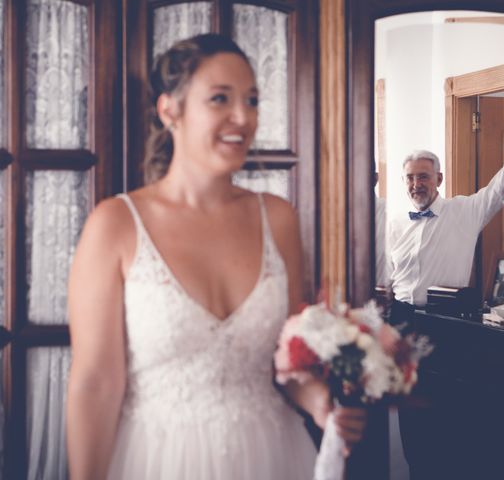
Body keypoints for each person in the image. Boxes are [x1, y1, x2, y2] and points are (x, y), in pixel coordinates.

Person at [66, 34, 366, 480]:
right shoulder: (115, 225)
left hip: (272, 456)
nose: (243, 117)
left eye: (252, 99)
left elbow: (286, 365)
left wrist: (319, 402)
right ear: (171, 110)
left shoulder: (277, 219)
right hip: (157, 459)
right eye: (220, 98)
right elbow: (95, 385)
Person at [386, 138, 504, 479]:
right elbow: (388, 272)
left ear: (439, 179)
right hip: (402, 320)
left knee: (447, 407)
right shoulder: (395, 221)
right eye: (411, 177)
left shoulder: (464, 211)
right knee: (409, 408)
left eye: (424, 177)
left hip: (446, 323)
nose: (417, 184)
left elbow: (500, 190)